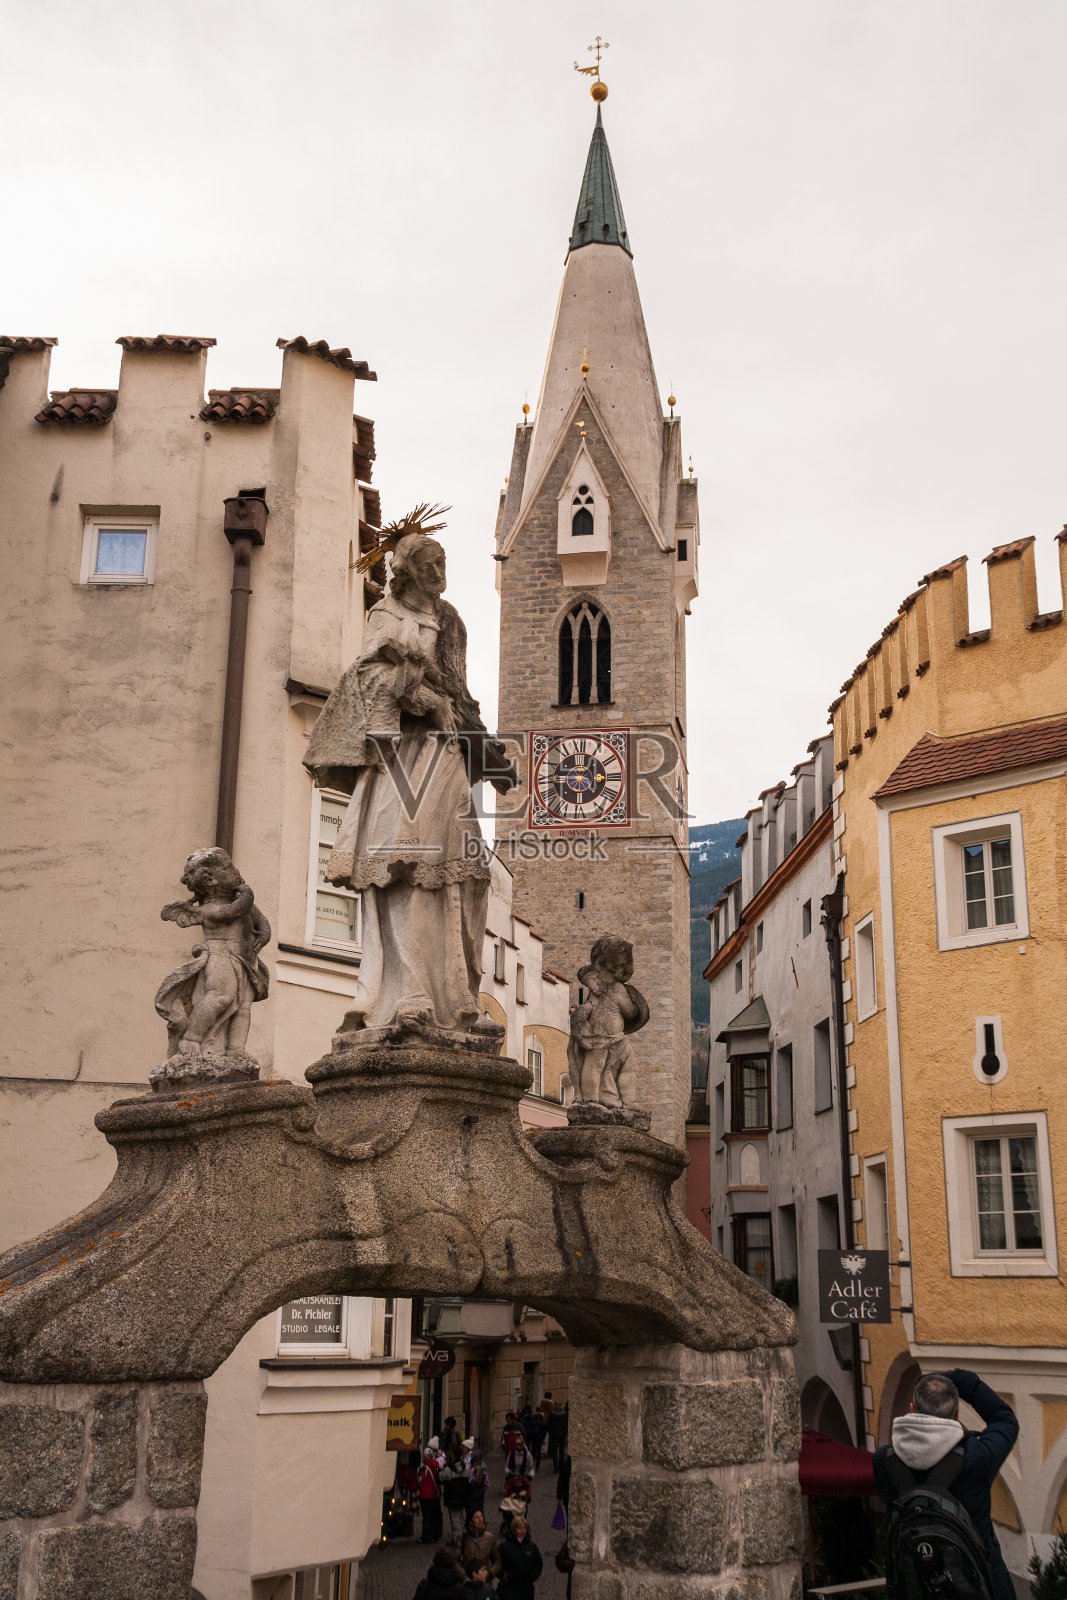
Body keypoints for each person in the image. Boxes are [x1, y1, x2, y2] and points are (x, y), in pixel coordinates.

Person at [303, 523, 516, 1035]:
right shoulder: (386, 613)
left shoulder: (450, 620)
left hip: (445, 757)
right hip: (399, 755)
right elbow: (368, 676)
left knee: (462, 874)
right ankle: (405, 994)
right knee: (403, 867)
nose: (439, 573)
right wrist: (421, 697)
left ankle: (459, 999)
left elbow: (461, 693)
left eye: (443, 563)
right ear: (406, 570)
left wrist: (488, 754)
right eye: (429, 565)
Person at [873, 1368, 1019, 1600]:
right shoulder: (976, 1458)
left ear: (913, 1409)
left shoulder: (884, 1461)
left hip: (914, 1588)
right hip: (978, 1587)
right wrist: (959, 1379)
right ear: (957, 1414)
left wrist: (926, 1380)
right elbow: (1004, 1419)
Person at [498, 1516, 544, 1600]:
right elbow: (497, 1563)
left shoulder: (531, 1546)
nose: (523, 1531)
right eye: (520, 1528)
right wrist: (504, 1575)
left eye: (524, 1528)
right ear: (513, 1530)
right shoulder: (504, 1547)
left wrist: (532, 1576)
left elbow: (538, 1563)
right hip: (510, 1588)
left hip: (527, 1588)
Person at [456, 1509, 502, 1580]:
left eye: (481, 1516)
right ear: (470, 1522)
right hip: (468, 1579)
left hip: (485, 1578)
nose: (480, 1519)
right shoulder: (462, 1538)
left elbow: (497, 1561)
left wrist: (488, 1574)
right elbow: (454, 1561)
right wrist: (464, 1576)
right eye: (476, 1517)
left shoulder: (489, 1538)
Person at [418, 1446, 443, 1545]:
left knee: (427, 1516)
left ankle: (427, 1536)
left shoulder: (425, 1468)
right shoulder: (437, 1466)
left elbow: (420, 1481)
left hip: (426, 1495)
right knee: (435, 1514)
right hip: (435, 1493)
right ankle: (435, 1534)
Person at [546, 1403, 568, 1472]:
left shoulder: (552, 1415)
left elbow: (548, 1425)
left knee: (554, 1451)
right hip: (562, 1435)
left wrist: (550, 1432)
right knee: (562, 1451)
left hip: (554, 1436)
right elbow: (567, 1425)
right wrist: (565, 1432)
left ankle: (556, 1467)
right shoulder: (565, 1415)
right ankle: (561, 1465)